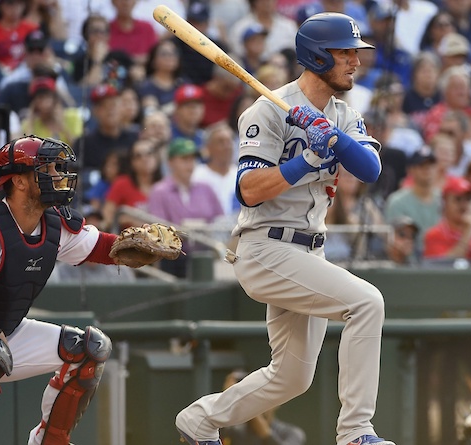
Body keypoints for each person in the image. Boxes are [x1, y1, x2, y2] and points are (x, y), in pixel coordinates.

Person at [175, 12, 395, 445]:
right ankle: (355, 432)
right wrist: (306, 161)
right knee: (367, 303)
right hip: (265, 248)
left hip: (309, 251)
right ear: (316, 57)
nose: (355, 60)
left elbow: (368, 169)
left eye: (356, 52)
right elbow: (249, 191)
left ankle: (200, 420)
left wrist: (334, 138)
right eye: (344, 52)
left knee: (291, 377)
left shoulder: (344, 113)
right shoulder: (267, 110)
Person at [0, 135, 146, 444]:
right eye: (48, 170)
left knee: (88, 349)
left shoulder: (53, 223)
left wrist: (139, 246)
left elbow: (101, 247)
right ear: (18, 181)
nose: (58, 177)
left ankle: (49, 440)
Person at [147, 137, 223, 278]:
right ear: (170, 162)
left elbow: (220, 220)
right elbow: (159, 230)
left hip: (206, 254)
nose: (190, 164)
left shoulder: (206, 189)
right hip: (174, 258)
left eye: (192, 159)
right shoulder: (160, 191)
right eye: (184, 159)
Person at [219, 370, 307, 445]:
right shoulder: (235, 431)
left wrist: (250, 410)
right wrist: (228, 398)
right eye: (257, 397)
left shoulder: (291, 433)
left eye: (265, 397)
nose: (260, 404)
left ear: (278, 401)